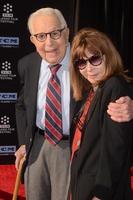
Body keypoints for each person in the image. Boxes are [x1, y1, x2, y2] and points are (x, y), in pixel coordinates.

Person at [14, 7, 133, 200]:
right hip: (37, 145)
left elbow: (117, 82)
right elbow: (21, 105)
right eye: (41, 36)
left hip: (72, 149)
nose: (49, 43)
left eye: (55, 33)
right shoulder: (27, 64)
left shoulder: (84, 60)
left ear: (67, 32)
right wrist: (22, 143)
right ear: (32, 40)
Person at [69, 27, 133, 200]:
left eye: (95, 59)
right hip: (82, 185)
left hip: (100, 190)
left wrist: (101, 194)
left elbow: (114, 150)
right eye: (82, 63)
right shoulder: (91, 90)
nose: (88, 68)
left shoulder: (114, 86)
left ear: (108, 56)